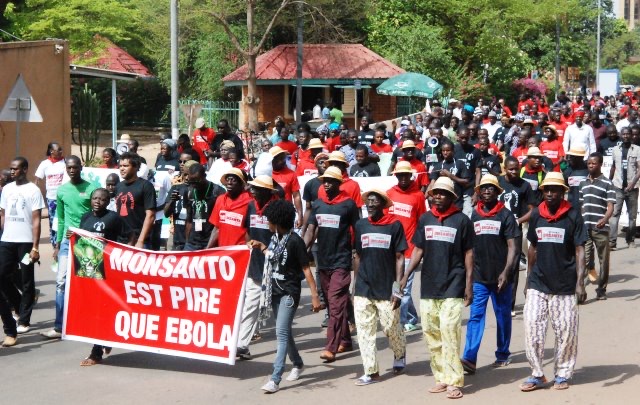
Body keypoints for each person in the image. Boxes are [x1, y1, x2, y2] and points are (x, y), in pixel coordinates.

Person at [402, 176, 473, 399]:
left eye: (443, 193)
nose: (438, 196)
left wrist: (469, 284)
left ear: (452, 197)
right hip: (429, 286)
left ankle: (454, 380)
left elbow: (469, 253)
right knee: (431, 332)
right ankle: (441, 377)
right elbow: (418, 249)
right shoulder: (425, 219)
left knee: (450, 331)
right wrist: (405, 275)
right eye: (435, 193)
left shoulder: (462, 220)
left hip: (453, 284)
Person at [519, 172, 586, 392]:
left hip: (565, 285)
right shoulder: (537, 213)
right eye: (546, 189)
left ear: (562, 192)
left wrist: (580, 283)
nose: (549, 193)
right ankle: (537, 374)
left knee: (566, 331)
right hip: (538, 282)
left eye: (554, 189)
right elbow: (533, 248)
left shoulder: (573, 215)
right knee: (532, 328)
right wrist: (528, 280)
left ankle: (563, 373)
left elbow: (579, 249)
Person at [248, 199, 321, 393]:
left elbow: (306, 269)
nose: (267, 224)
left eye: (269, 220)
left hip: (289, 292)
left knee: (280, 333)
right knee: (285, 332)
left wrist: (315, 296)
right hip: (275, 291)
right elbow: (274, 256)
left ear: (278, 221)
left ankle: (275, 378)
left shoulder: (295, 241)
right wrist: (262, 246)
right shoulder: (275, 239)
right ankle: (297, 363)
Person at [461, 174, 519, 374]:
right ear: (478, 192)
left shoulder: (506, 215)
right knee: (475, 317)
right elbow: (468, 248)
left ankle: (502, 353)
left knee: (502, 316)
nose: (486, 191)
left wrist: (506, 271)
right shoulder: (474, 215)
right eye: (483, 188)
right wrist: (467, 279)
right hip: (479, 277)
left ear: (497, 192)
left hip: (501, 277)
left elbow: (513, 246)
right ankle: (469, 358)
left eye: (490, 188)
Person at [303, 166, 360, 363]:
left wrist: (358, 254)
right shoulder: (318, 204)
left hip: (342, 261)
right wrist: (302, 251)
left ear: (339, 183)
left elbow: (357, 230)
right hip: (323, 262)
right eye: (324, 180)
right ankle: (345, 339)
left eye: (330, 181)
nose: (326, 184)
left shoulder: (348, 205)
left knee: (335, 305)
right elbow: (311, 229)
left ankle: (331, 347)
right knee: (332, 302)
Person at [352, 189, 407, 385]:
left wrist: (397, 288)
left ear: (383, 205)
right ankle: (371, 371)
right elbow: (358, 256)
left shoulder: (394, 225)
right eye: (368, 202)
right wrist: (354, 283)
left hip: (386, 287)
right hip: (363, 287)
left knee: (390, 327)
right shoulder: (361, 225)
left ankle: (400, 354)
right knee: (364, 331)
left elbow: (400, 257)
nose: (370, 205)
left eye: (375, 202)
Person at [41, 156, 97, 339]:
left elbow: (97, 215)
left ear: (81, 167)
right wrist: (57, 245)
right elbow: (61, 218)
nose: (72, 170)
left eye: (75, 167)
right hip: (66, 242)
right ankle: (59, 326)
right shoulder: (62, 190)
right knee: (61, 282)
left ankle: (90, 322)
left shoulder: (91, 189)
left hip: (87, 241)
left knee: (88, 282)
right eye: (69, 168)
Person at [77, 188, 126, 365]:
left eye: (102, 199)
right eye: (95, 198)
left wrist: (123, 258)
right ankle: (104, 339)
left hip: (108, 272)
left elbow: (129, 236)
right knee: (92, 309)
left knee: (103, 309)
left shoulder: (113, 218)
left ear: (108, 202)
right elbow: (81, 240)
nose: (98, 201)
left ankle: (96, 352)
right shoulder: (85, 217)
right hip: (89, 270)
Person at [0, 157, 44, 344]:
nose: (12, 172)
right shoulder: (7, 189)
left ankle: (24, 319)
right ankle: (18, 304)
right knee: (2, 275)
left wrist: (35, 246)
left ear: (25, 169)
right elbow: (2, 214)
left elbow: (36, 219)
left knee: (26, 279)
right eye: (11, 169)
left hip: (25, 243)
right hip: (7, 241)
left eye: (16, 169)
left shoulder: (33, 190)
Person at [236, 175, 279, 360]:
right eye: (251, 187)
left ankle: (288, 349)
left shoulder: (277, 208)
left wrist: (270, 252)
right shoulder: (251, 206)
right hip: (255, 266)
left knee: (279, 310)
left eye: (256, 188)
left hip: (275, 266)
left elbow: (284, 237)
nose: (251, 190)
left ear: (267, 191)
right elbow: (246, 231)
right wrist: (249, 247)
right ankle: (242, 345)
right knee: (250, 306)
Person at [387, 161, 427, 332]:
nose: (403, 178)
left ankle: (401, 322)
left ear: (411, 176)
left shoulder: (418, 195)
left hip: (410, 250)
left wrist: (423, 247)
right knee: (397, 285)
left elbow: (422, 222)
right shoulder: (388, 194)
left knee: (403, 287)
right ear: (395, 175)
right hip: (391, 251)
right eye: (400, 175)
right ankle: (411, 317)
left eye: (406, 175)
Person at [499, 156, 534, 316]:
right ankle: (498, 298)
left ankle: (510, 305)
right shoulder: (497, 182)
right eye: (510, 169)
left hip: (515, 231)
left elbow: (532, 209)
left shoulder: (524, 185)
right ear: (504, 168)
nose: (514, 172)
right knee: (498, 264)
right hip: (497, 229)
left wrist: (518, 221)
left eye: (516, 168)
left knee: (512, 266)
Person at [579, 153, 615, 300]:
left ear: (600, 164)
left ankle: (602, 289)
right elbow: (582, 205)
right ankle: (581, 287)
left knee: (603, 260)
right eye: (589, 163)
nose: (591, 165)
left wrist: (605, 218)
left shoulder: (607, 183)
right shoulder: (583, 184)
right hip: (585, 228)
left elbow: (610, 206)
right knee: (584, 259)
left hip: (601, 228)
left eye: (593, 163)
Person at [114, 153, 156, 248]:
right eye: (120, 166)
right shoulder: (119, 186)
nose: (122, 168)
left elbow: (151, 215)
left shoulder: (145, 186)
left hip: (139, 240)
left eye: (126, 166)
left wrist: (140, 241)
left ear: (136, 167)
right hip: (120, 239)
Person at [609, 126, 640, 250]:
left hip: (632, 189)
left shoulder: (637, 149)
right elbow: (613, 166)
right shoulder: (616, 149)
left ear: (631, 135)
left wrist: (632, 184)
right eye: (624, 134)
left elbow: (639, 169)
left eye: (628, 134)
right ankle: (612, 242)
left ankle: (630, 239)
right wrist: (609, 181)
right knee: (615, 214)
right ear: (621, 135)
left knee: (632, 216)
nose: (626, 136)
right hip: (618, 187)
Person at [207, 168, 252, 248]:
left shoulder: (250, 202)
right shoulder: (220, 199)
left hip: (240, 251)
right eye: (227, 180)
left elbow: (249, 232)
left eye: (233, 180)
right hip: (223, 251)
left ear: (241, 184)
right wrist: (207, 249)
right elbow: (217, 228)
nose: (229, 183)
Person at [183, 164, 225, 251]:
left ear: (204, 176)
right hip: (192, 243)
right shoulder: (189, 191)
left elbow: (220, 223)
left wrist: (210, 245)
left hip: (210, 241)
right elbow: (189, 219)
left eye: (197, 181)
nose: (194, 184)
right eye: (191, 181)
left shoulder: (217, 192)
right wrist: (187, 241)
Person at [34, 142, 65, 248]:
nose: (61, 151)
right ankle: (54, 242)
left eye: (61, 149)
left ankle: (62, 241)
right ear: (52, 151)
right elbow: (37, 179)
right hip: (52, 198)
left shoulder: (65, 162)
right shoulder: (45, 164)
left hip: (64, 197)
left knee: (63, 219)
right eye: (59, 150)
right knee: (53, 220)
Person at [164, 160, 197, 251]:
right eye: (184, 174)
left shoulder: (200, 190)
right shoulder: (176, 188)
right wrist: (172, 201)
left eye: (189, 174)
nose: (186, 178)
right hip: (176, 238)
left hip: (194, 242)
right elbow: (166, 214)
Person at [428, 141, 470, 208]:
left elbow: (466, 182)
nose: (445, 153)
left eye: (448, 150)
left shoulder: (460, 163)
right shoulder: (438, 165)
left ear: (453, 151)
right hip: (442, 203)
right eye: (443, 150)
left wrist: (450, 175)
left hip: (457, 202)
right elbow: (432, 183)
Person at [270, 146, 303, 228]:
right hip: (270, 214)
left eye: (283, 158)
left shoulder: (291, 174)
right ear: (272, 160)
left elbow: (296, 196)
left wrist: (300, 215)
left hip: (286, 214)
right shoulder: (267, 174)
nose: (282, 161)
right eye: (278, 159)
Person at [454, 129, 481, 217]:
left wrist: (476, 192)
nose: (464, 140)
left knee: (468, 214)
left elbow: (478, 172)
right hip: (455, 188)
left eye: (466, 138)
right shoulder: (453, 150)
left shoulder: (475, 151)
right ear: (457, 137)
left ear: (469, 137)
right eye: (462, 138)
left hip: (469, 188)